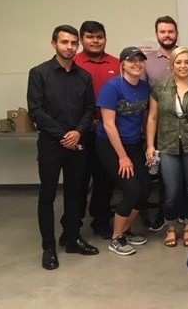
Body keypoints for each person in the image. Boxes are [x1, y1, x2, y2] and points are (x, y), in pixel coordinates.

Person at [27, 24, 99, 270]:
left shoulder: (84, 77)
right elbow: (36, 110)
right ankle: (48, 247)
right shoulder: (39, 73)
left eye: (73, 43)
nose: (69, 47)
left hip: (77, 144)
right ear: (54, 44)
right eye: (64, 42)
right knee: (47, 196)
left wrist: (77, 132)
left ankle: (72, 238)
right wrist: (63, 136)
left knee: (76, 193)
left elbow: (90, 108)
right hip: (50, 145)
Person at [146, 47, 188, 247]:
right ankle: (172, 227)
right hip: (167, 145)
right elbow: (152, 118)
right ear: (171, 64)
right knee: (172, 190)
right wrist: (150, 145)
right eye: (179, 62)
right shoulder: (160, 89)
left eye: (187, 62)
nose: (183, 66)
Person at [143, 15, 188, 232]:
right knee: (166, 181)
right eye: (163, 32)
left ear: (177, 33)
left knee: (187, 180)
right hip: (159, 129)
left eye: (171, 31)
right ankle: (166, 217)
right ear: (157, 34)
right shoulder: (147, 62)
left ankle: (187, 217)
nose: (167, 35)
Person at [97, 47, 151, 256]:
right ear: (122, 65)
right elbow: (109, 125)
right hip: (111, 145)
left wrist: (148, 146)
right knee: (131, 189)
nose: (137, 64)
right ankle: (115, 238)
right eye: (132, 61)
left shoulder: (145, 87)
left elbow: (146, 117)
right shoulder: (112, 87)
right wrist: (122, 157)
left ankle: (125, 230)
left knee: (144, 187)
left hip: (134, 143)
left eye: (140, 61)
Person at [72, 20, 120, 239]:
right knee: (79, 181)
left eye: (99, 37)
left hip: (107, 132)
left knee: (105, 180)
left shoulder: (117, 63)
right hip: (81, 133)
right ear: (82, 40)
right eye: (90, 37)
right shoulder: (74, 62)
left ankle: (100, 221)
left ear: (105, 39)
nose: (95, 41)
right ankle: (73, 226)